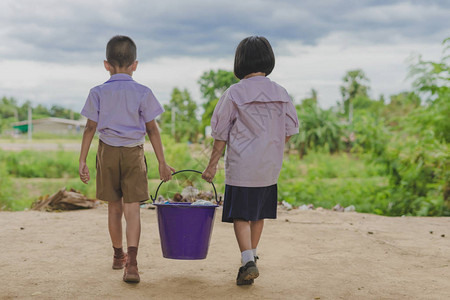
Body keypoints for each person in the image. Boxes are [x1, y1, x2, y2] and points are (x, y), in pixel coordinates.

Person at [202, 36, 299, 286]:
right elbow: (289, 129)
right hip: (269, 167)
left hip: (242, 165)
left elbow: (220, 134)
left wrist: (212, 164)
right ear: (268, 60)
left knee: (240, 215)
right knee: (258, 213)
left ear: (240, 62)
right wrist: (270, 148)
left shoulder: (234, 93)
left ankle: (247, 261)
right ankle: (251, 256)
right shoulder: (281, 92)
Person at [78, 35, 174, 283]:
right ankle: (132, 264)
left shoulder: (97, 92)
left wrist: (82, 161)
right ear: (135, 64)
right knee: (133, 210)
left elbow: (89, 128)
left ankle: (118, 255)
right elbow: (153, 129)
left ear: (106, 64)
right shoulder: (143, 92)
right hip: (133, 153)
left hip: (106, 152)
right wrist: (162, 162)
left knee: (114, 207)